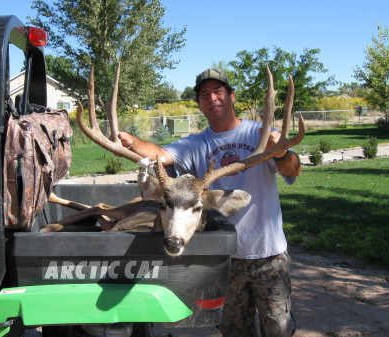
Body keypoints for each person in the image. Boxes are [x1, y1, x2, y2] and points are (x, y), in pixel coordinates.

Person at [118, 68, 300, 337]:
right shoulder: (195, 144)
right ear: (200, 103)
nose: (212, 98)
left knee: (279, 328)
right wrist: (131, 142)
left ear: (231, 96)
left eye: (218, 92)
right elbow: (160, 154)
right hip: (224, 256)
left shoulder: (260, 134)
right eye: (205, 94)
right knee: (234, 329)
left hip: (268, 253)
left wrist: (282, 152)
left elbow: (293, 169)